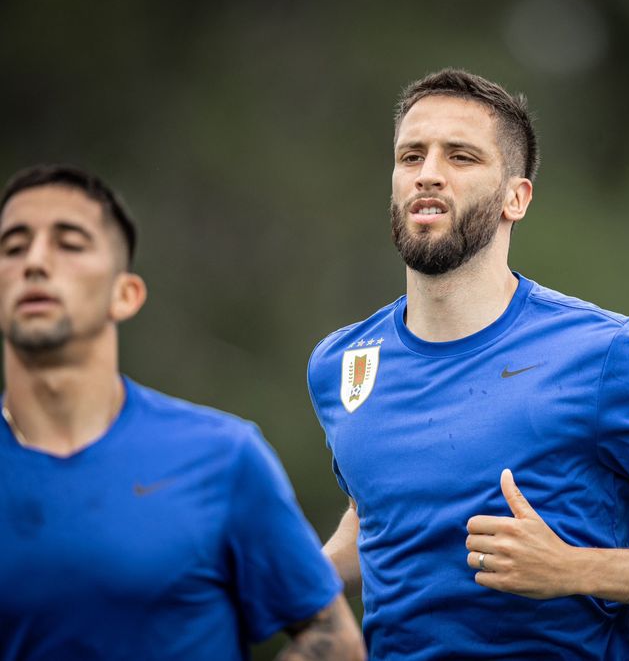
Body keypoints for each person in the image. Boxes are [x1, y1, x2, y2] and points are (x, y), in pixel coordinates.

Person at [307, 69, 629, 660]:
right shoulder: (341, 363)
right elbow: (376, 514)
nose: (428, 173)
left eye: (461, 156)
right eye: (411, 156)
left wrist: (571, 568)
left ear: (516, 197)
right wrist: (292, 589)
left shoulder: (604, 354)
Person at [0, 164, 365, 661]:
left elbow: (334, 640)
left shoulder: (221, 458)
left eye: (69, 244)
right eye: (13, 246)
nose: (35, 262)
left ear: (125, 295)